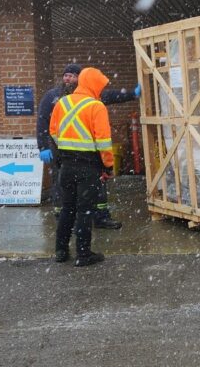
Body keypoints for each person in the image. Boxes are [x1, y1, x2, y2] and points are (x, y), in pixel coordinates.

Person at [36, 63, 141, 229]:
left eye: (72, 75)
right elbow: (43, 121)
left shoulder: (92, 96)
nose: (67, 78)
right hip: (62, 151)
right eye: (65, 75)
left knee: (96, 185)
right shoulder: (52, 96)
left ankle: (100, 217)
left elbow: (112, 95)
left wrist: (132, 94)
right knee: (61, 184)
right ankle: (63, 216)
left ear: (80, 79)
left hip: (85, 152)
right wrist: (44, 146)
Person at [50, 67, 116, 266]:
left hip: (66, 166)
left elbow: (53, 131)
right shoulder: (96, 106)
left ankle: (61, 251)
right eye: (101, 86)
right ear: (93, 84)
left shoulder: (62, 102)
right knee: (85, 211)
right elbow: (103, 141)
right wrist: (108, 166)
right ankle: (83, 254)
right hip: (88, 167)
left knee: (67, 209)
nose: (102, 90)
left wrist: (65, 150)